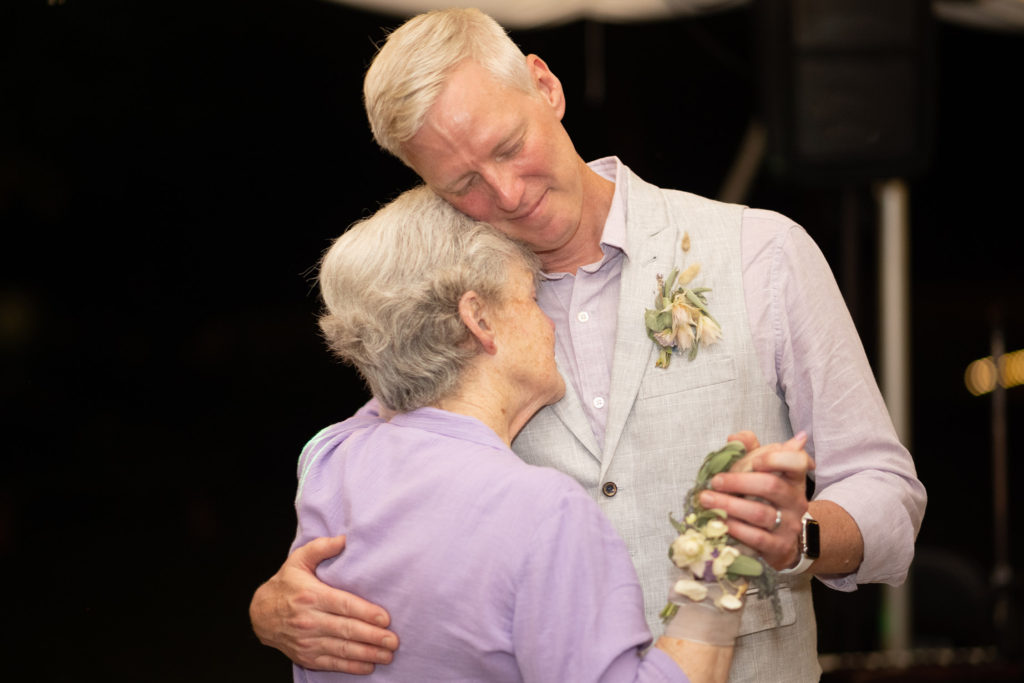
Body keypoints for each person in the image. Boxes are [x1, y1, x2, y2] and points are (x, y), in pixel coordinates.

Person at [250, 9, 927, 682]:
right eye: (463, 185)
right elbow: (361, 465)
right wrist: (270, 605)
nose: (508, 193)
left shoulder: (762, 252)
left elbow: (889, 496)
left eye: (509, 146)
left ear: (545, 87)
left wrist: (801, 535)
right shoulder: (463, 313)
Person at [291, 182, 758, 682]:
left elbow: (390, 378)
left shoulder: (327, 461)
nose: (551, 325)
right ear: (478, 319)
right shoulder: (542, 509)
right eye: (533, 298)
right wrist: (719, 553)